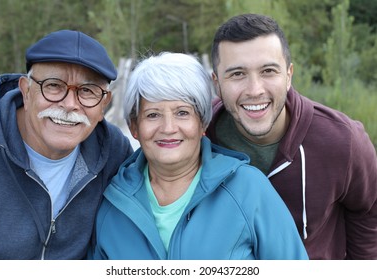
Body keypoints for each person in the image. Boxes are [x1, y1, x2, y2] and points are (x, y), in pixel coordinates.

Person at [89, 52, 308, 260]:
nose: (168, 128)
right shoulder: (113, 204)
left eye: (182, 113)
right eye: (153, 115)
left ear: (202, 123)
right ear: (134, 127)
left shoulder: (248, 190)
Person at [207, 13, 377, 259]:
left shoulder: (342, 140)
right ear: (216, 83)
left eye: (268, 71)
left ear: (288, 75)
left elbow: (369, 210)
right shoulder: (198, 137)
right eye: (237, 74)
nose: (255, 90)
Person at [0, 30, 133, 259]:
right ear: (26, 91)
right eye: (54, 85)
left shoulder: (113, 151)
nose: (69, 104)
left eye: (87, 90)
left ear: (104, 104)